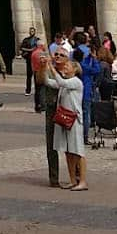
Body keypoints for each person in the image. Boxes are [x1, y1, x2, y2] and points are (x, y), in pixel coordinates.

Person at [45, 54, 87, 189]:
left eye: (67, 65)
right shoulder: (65, 82)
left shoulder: (75, 81)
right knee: (68, 151)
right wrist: (44, 67)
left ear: (74, 69)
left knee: (78, 151)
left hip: (74, 119)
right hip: (65, 118)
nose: (65, 66)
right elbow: (50, 82)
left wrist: (51, 68)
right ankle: (73, 179)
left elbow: (61, 82)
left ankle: (82, 181)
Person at [19, 27, 40, 99]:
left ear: (35, 32)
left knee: (36, 76)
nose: (31, 32)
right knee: (29, 76)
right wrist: (30, 50)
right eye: (30, 31)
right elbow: (21, 47)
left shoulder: (37, 40)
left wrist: (30, 50)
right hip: (28, 59)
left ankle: (37, 90)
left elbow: (39, 48)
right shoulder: (26, 40)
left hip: (35, 60)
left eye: (33, 31)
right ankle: (28, 90)